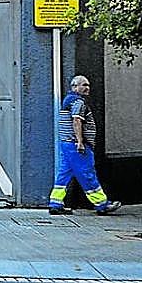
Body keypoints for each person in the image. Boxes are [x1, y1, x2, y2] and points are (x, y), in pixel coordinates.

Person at [48, 74, 122, 216]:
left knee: (64, 174)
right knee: (87, 173)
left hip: (67, 144)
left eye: (88, 85)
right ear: (75, 87)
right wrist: (80, 141)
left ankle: (55, 203)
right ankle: (101, 204)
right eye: (84, 85)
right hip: (76, 145)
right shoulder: (78, 102)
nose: (88, 88)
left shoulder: (68, 100)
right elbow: (77, 120)